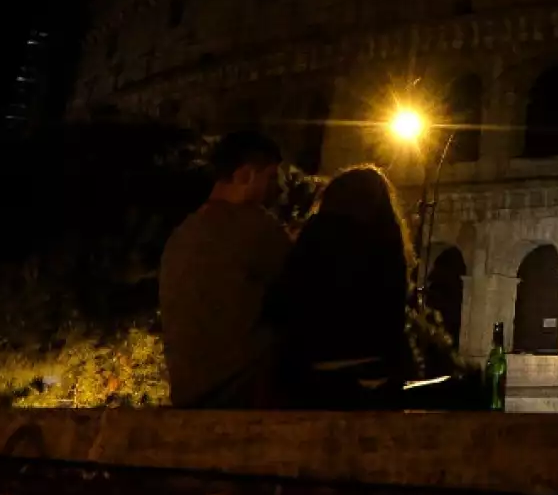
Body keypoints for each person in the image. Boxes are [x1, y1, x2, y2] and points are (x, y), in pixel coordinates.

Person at [265, 164, 418, 409]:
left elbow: (286, 303)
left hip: (319, 371)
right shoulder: (388, 246)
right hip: (377, 373)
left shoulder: (317, 235)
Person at [159, 131, 291, 408]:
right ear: (245, 175)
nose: (278, 189)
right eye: (270, 177)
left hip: (188, 393)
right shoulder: (255, 227)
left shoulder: (182, 233)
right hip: (244, 389)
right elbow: (302, 286)